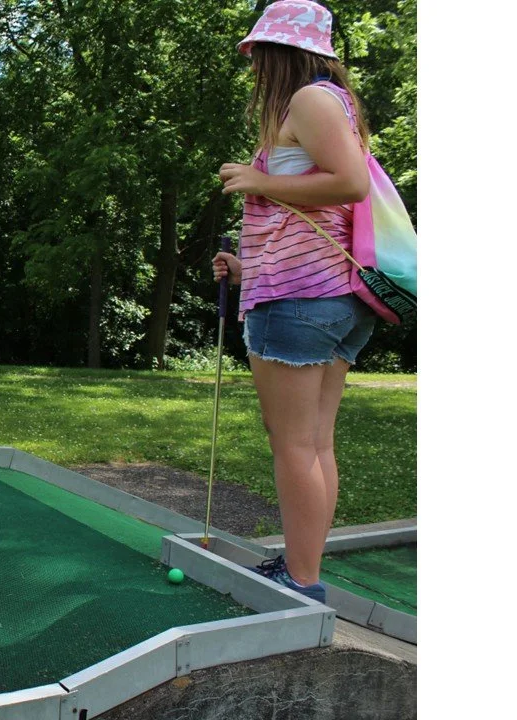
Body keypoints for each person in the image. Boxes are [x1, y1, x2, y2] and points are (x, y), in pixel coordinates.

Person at [211, 0, 374, 604]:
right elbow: (315, 211)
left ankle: (301, 580)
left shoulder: (310, 100)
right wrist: (246, 267)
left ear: (284, 51)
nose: (254, 66)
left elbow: (351, 184)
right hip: (326, 292)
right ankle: (305, 568)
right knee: (315, 441)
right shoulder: (330, 103)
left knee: (295, 444)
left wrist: (258, 180)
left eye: (260, 53)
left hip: (302, 298)